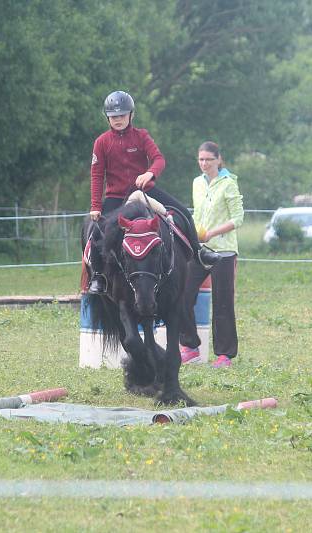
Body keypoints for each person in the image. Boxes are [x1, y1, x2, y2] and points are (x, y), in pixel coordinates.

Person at [86, 90, 220, 294]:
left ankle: (199, 252)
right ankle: (98, 276)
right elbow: (96, 175)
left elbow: (159, 159)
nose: (118, 120)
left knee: (182, 211)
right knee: (97, 230)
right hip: (116, 196)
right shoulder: (101, 142)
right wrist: (96, 205)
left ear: (131, 115)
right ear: (107, 118)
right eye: (113, 117)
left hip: (146, 191)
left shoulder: (142, 136)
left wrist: (149, 173)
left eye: (122, 115)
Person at [179, 141, 244, 368]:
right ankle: (190, 347)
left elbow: (238, 218)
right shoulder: (197, 183)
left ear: (218, 160)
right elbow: (197, 214)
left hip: (224, 251)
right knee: (182, 294)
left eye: (208, 159)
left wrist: (212, 233)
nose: (204, 164)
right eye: (201, 159)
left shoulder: (228, 184)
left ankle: (224, 355)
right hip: (199, 250)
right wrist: (191, 237)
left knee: (222, 303)